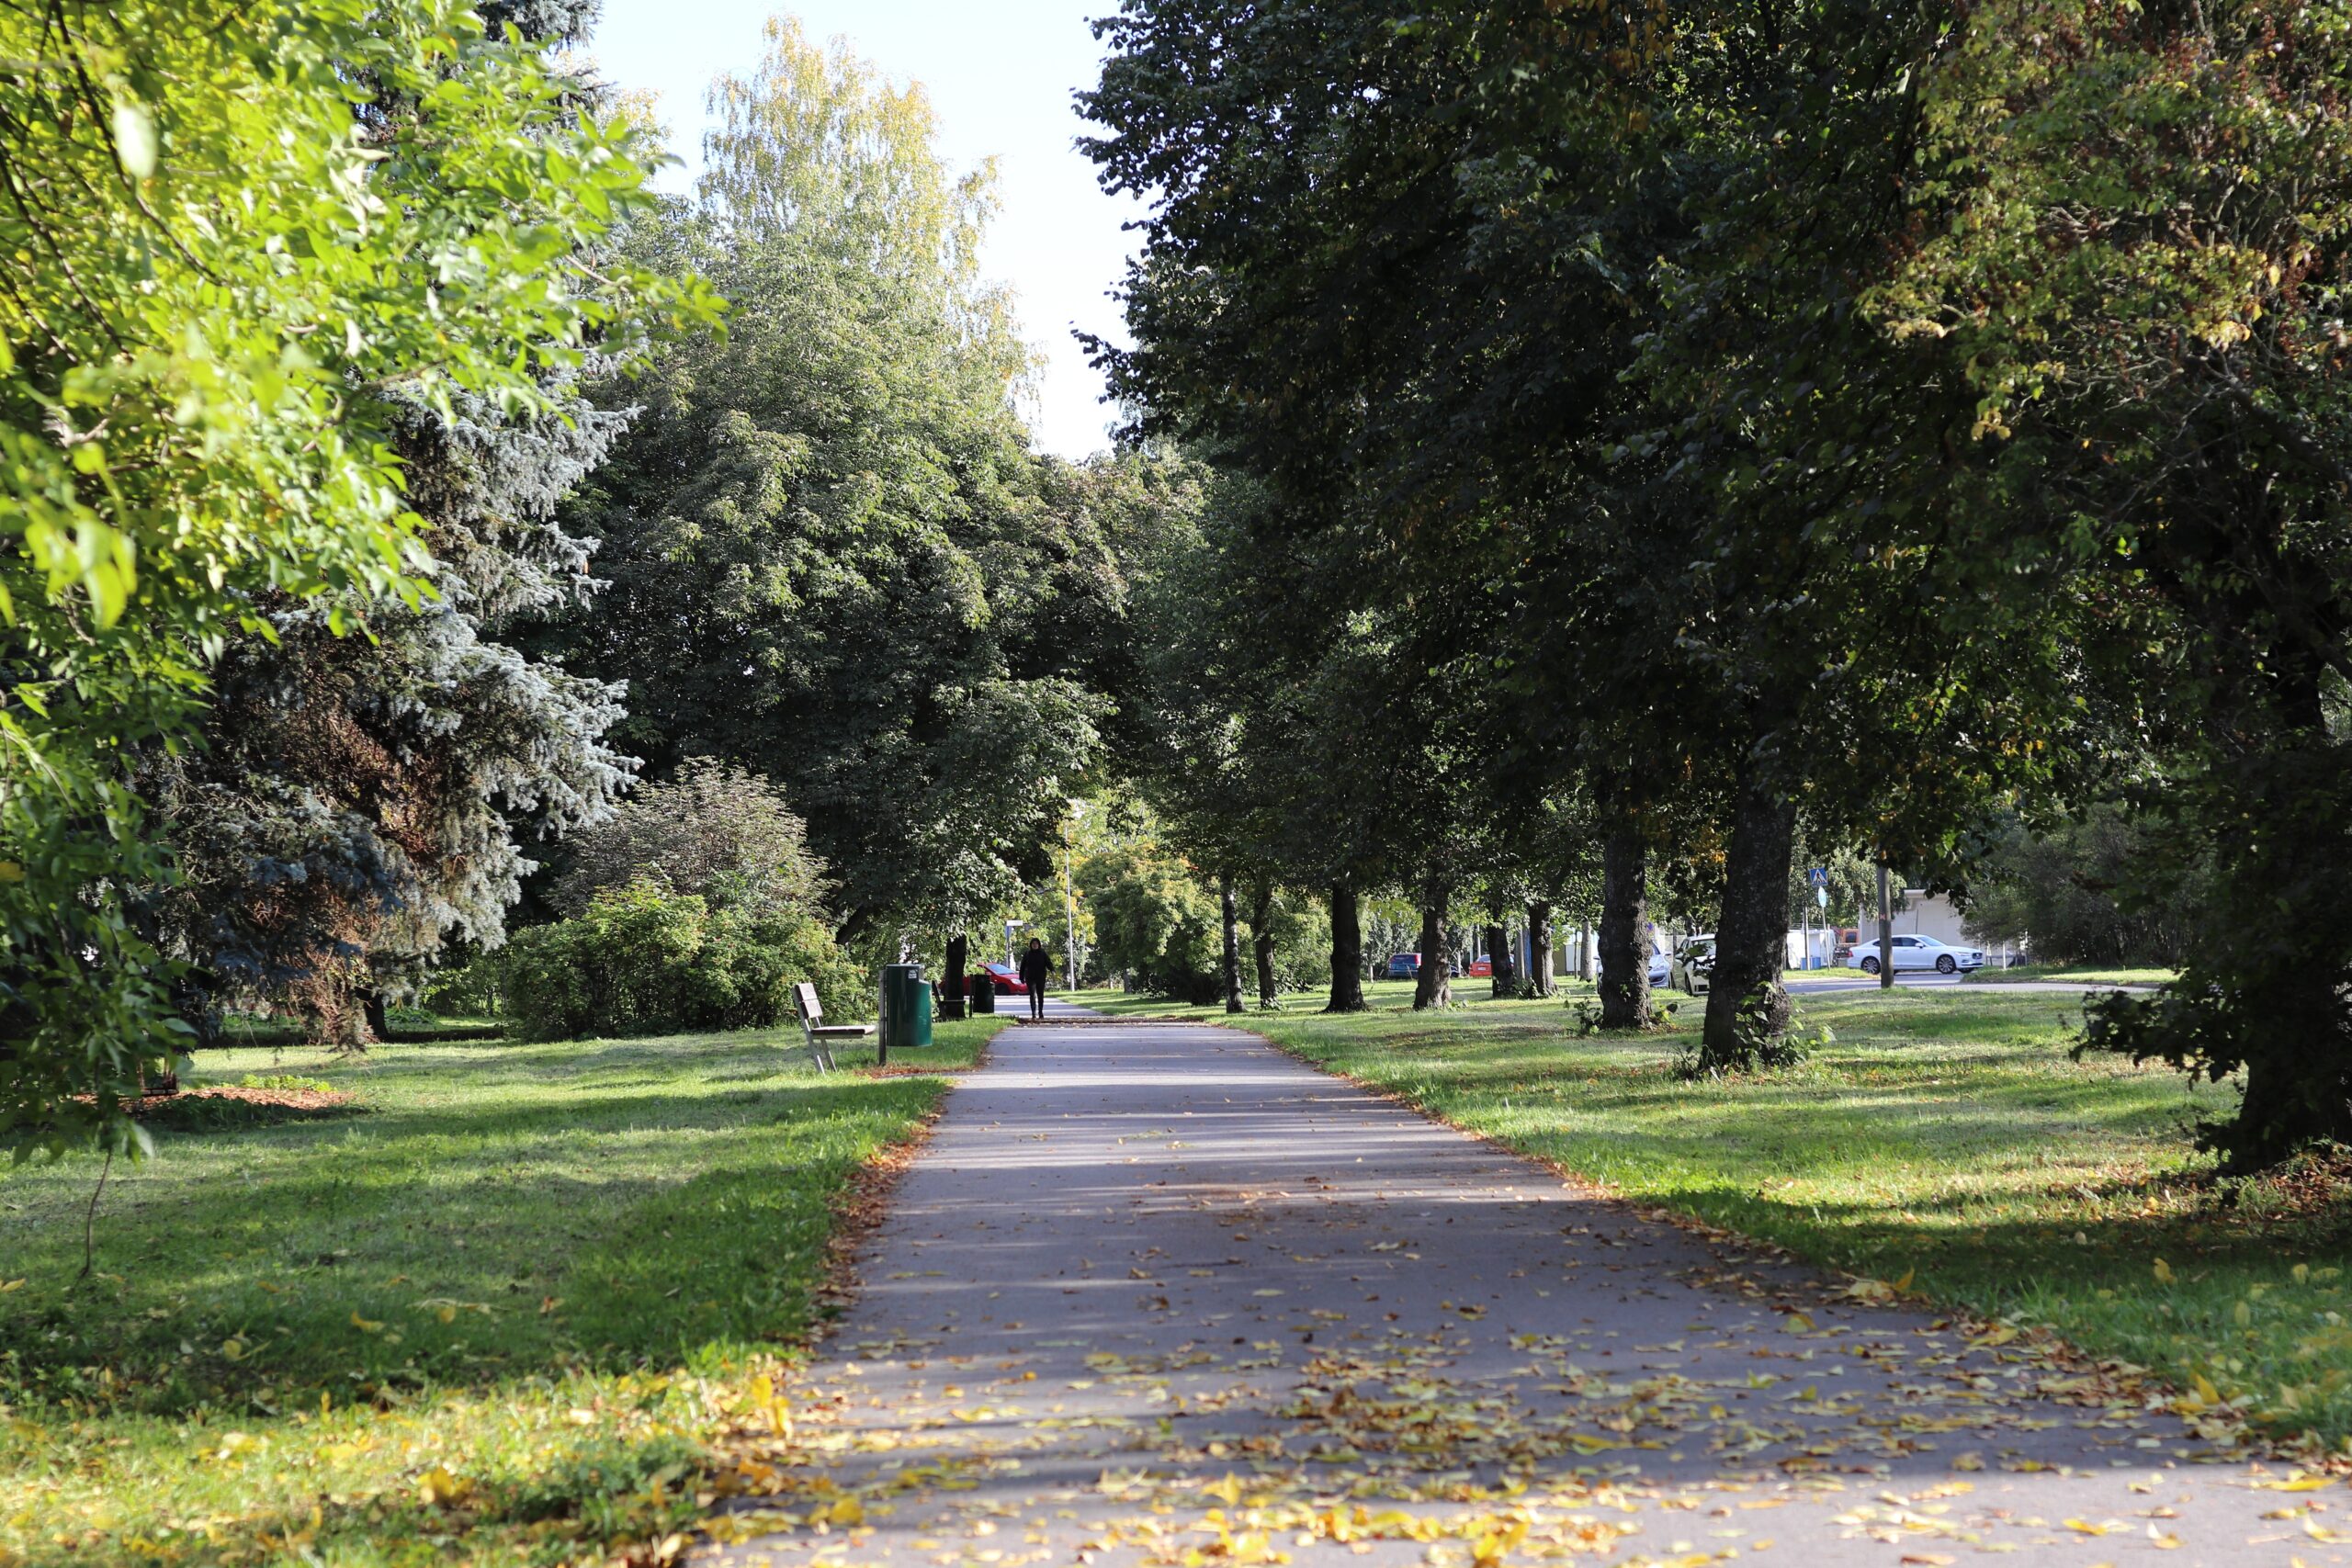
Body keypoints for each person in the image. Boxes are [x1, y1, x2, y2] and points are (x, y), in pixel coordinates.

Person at [1016, 938, 1052, 1020]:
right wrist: (1021, 977)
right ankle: (1033, 1013)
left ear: (1039, 945)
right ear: (1031, 945)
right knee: (1032, 995)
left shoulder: (1042, 953)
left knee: (1040, 995)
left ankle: (1040, 1012)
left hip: (1041, 977)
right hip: (1030, 977)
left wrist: (1052, 969)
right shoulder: (1027, 954)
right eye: (1033, 944)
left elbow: (1048, 962)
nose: (1035, 945)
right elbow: (1023, 965)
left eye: (1036, 943)